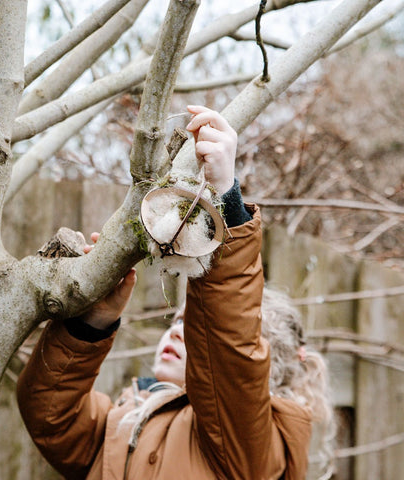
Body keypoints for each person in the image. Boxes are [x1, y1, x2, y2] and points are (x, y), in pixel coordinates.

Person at [17, 106, 334, 480]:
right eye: (180, 320)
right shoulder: (127, 419)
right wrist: (93, 324)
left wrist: (226, 203)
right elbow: (49, 416)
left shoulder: (251, 447)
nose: (180, 330)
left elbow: (229, 351)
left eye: (198, 332)